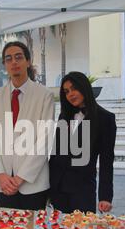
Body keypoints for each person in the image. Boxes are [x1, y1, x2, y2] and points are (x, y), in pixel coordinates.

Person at [0, 41, 55, 210]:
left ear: (28, 61)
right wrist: (0, 175)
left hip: (32, 184)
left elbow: (44, 141)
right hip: (3, 184)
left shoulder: (44, 95)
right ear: (4, 64)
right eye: (8, 59)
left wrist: (20, 178)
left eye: (18, 57)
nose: (14, 62)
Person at [49, 72, 116, 214]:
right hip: (58, 190)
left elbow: (106, 161)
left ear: (84, 87)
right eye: (66, 91)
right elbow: (55, 154)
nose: (70, 94)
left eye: (74, 88)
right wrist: (48, 188)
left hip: (83, 191)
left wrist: (105, 196)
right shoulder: (64, 115)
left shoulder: (105, 118)